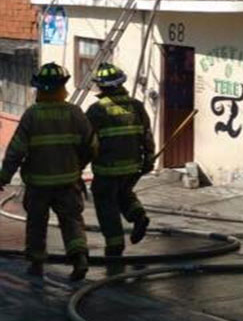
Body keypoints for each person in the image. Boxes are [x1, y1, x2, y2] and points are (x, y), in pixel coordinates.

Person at [0, 63, 97, 280]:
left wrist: (3, 177)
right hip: (68, 182)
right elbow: (92, 146)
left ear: (40, 88)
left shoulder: (32, 115)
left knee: (36, 224)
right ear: (62, 87)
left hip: (38, 184)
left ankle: (36, 263)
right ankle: (79, 257)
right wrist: (77, 166)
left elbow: (16, 151)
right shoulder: (75, 113)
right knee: (71, 221)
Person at [85, 63, 155, 259]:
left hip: (107, 168)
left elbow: (87, 142)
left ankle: (114, 245)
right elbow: (147, 135)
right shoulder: (137, 106)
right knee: (124, 193)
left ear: (101, 86)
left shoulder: (97, 110)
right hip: (133, 165)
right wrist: (149, 159)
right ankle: (138, 216)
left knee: (106, 203)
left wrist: (77, 166)